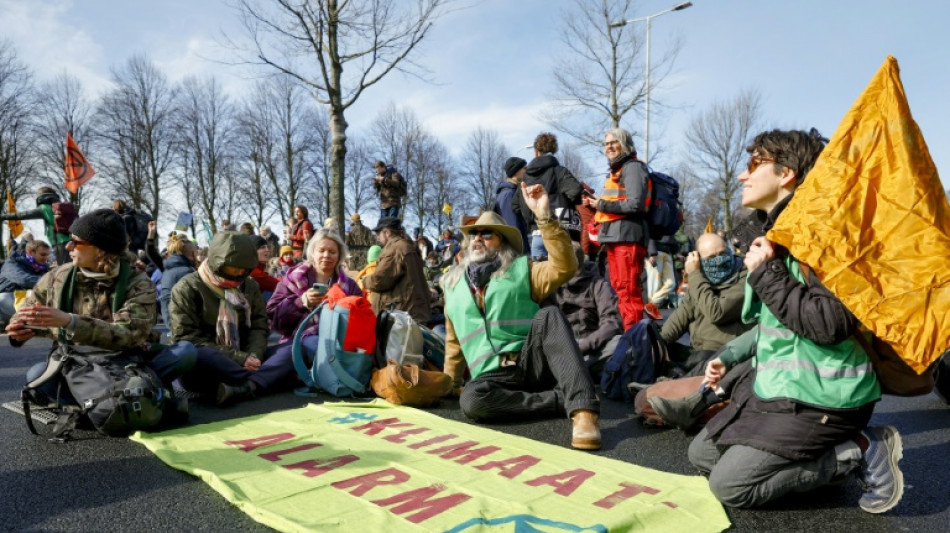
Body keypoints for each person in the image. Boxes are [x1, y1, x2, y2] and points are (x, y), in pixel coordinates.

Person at [687, 129, 903, 514]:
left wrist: (766, 274)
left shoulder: (827, 235)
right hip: (780, 390)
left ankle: (859, 449)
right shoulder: (773, 235)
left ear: (786, 173)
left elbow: (829, 323)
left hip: (826, 397)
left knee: (730, 486)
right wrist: (730, 355)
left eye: (754, 162)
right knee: (701, 454)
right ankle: (812, 468)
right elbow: (778, 322)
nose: (742, 175)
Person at [442, 183, 600, 450]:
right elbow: (453, 343)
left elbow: (565, 265)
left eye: (487, 234)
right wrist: (450, 384)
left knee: (549, 315)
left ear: (501, 241)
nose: (478, 238)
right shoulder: (451, 286)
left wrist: (544, 217)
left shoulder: (523, 268)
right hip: (491, 377)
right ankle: (559, 401)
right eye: (473, 234)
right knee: (471, 401)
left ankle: (584, 411)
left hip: (532, 364)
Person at [6, 209, 196, 396]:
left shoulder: (138, 282)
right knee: (35, 374)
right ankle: (123, 398)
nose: (67, 247)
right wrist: (20, 328)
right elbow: (29, 309)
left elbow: (129, 335)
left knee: (185, 352)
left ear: (100, 250)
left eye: (76, 242)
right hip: (76, 362)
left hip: (126, 362)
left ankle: (97, 401)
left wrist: (70, 321)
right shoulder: (57, 276)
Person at [169, 231, 294, 406]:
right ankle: (265, 380)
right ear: (217, 263)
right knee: (199, 353)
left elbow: (259, 325)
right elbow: (187, 338)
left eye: (243, 270)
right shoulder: (187, 288)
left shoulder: (249, 285)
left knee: (292, 350)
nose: (238, 275)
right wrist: (239, 358)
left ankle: (249, 386)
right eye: (233, 269)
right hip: (213, 364)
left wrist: (254, 354)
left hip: (248, 359)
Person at [658, 232, 752, 373]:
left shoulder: (746, 278)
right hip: (699, 354)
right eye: (711, 257)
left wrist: (694, 275)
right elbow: (679, 320)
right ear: (698, 260)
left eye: (722, 253)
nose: (719, 260)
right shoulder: (701, 282)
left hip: (726, 355)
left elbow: (717, 312)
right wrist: (658, 343)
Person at [586, 128, 650, 330]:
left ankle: (636, 342)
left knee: (628, 291)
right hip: (616, 238)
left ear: (625, 144)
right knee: (620, 289)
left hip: (627, 238)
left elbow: (634, 204)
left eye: (614, 142)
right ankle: (630, 339)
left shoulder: (632, 168)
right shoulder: (619, 169)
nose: (609, 147)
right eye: (606, 144)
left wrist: (601, 205)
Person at [267, 229, 362, 351]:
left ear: (339, 256)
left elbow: (361, 319)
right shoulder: (292, 279)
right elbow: (274, 317)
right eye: (321, 250)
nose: (326, 255)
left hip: (339, 344)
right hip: (295, 342)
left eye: (332, 252)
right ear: (312, 253)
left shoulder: (350, 286)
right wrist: (301, 302)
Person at [550, 243, 623, 380]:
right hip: (563, 350)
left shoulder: (599, 285)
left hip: (593, 349)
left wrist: (584, 346)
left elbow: (611, 323)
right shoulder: (553, 286)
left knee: (620, 343)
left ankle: (576, 373)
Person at [514, 133, 584, 259]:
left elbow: (515, 206)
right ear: (554, 151)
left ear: (536, 152)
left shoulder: (526, 178)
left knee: (542, 277)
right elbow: (576, 191)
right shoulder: (559, 171)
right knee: (566, 276)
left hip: (537, 235)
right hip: (561, 233)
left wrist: (531, 217)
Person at [362, 217, 431, 323]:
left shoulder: (395, 249)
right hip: (412, 313)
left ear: (387, 233)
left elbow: (380, 280)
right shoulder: (407, 246)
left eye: (379, 234)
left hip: (402, 317)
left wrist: (365, 280)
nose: (377, 238)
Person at [0, 186, 72, 265]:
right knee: (71, 265)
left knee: (64, 267)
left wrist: (3, 216)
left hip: (60, 242)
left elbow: (23, 215)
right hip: (71, 239)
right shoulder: (61, 207)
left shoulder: (44, 208)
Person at [0, 240, 51, 327]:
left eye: (47, 255)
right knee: (3, 298)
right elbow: (25, 280)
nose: (46, 258)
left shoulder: (44, 267)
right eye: (42, 255)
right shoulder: (12, 263)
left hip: (27, 300)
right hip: (9, 299)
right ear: (30, 252)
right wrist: (51, 282)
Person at [493, 156, 530, 254]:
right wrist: (522, 251)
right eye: (524, 168)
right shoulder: (508, 195)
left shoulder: (514, 192)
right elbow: (512, 228)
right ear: (516, 171)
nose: (527, 171)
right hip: (516, 251)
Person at [646, 236, 678, 308]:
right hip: (656, 252)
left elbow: (671, 237)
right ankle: (652, 305)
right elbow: (650, 234)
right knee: (654, 284)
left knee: (671, 284)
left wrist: (676, 251)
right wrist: (652, 253)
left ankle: (652, 303)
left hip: (668, 253)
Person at [249, 236, 279, 301]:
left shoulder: (254, 268)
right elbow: (280, 285)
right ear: (253, 251)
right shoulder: (254, 272)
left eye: (267, 247)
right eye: (262, 247)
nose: (267, 250)